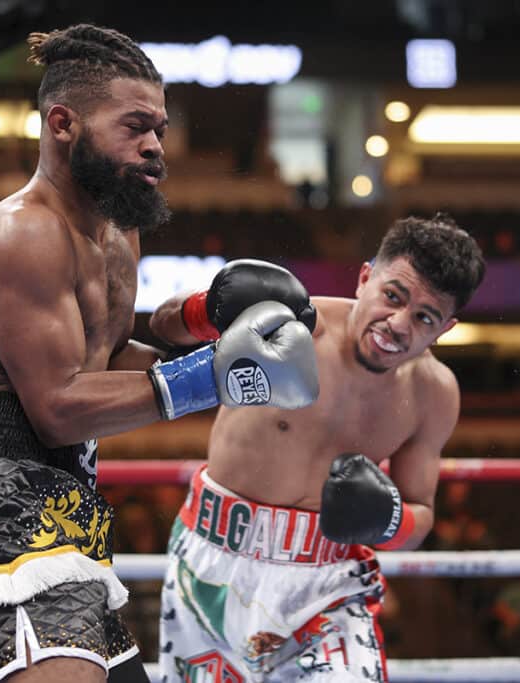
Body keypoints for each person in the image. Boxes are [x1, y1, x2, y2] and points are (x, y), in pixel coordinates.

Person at [0, 24, 320, 683]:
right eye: (134, 126)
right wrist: (214, 374)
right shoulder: (24, 230)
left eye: (159, 126)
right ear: (63, 123)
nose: (155, 146)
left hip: (65, 501)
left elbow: (106, 355)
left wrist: (207, 326)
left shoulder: (119, 230)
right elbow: (60, 406)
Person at [151, 214, 486, 681]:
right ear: (366, 277)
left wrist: (389, 520)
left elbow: (419, 516)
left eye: (424, 318)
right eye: (393, 297)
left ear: (444, 329)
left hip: (327, 586)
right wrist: (207, 309)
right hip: (210, 567)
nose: (397, 324)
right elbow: (162, 327)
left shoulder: (434, 392)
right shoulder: (293, 323)